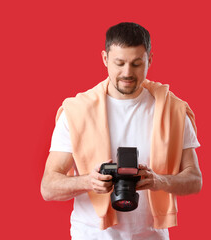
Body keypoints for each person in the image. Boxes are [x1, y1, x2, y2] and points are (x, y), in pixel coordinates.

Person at [41, 22, 202, 240]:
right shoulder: (76, 112)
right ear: (105, 59)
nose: (127, 73)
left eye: (137, 64)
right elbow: (48, 187)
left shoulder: (173, 111)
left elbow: (194, 180)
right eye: (119, 63)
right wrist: (89, 181)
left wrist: (159, 181)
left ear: (150, 60)